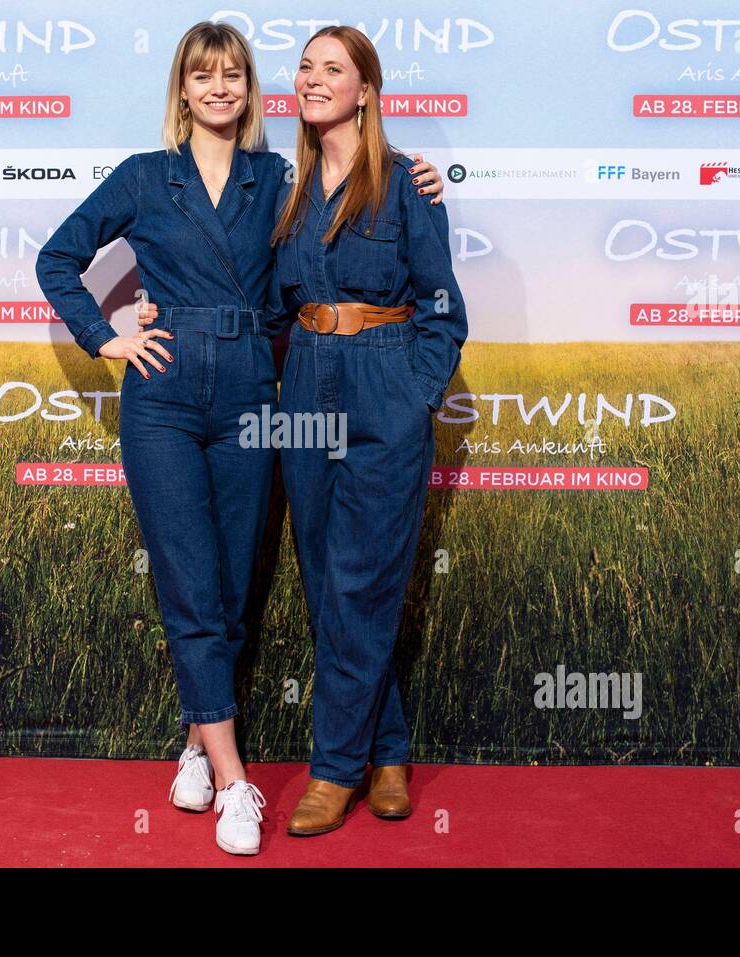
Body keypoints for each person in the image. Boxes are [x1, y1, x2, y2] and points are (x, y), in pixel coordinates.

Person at [36, 21, 444, 856]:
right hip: (168, 391)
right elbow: (59, 258)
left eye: (234, 75)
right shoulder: (148, 178)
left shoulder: (278, 182)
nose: (220, 88)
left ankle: (209, 743)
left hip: (261, 393)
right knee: (197, 578)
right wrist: (110, 330)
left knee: (252, 583)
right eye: (202, 75)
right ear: (181, 90)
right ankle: (231, 779)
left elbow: (320, 272)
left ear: (251, 89)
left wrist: (418, 178)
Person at [268, 25, 468, 836]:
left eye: (332, 69)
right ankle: (387, 746)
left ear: (366, 89)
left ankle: (335, 768)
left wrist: (412, 392)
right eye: (306, 67)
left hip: (383, 380)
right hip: (306, 379)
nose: (314, 79)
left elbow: (445, 308)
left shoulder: (408, 184)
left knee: (364, 579)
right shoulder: (287, 186)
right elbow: (265, 298)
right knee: (325, 578)